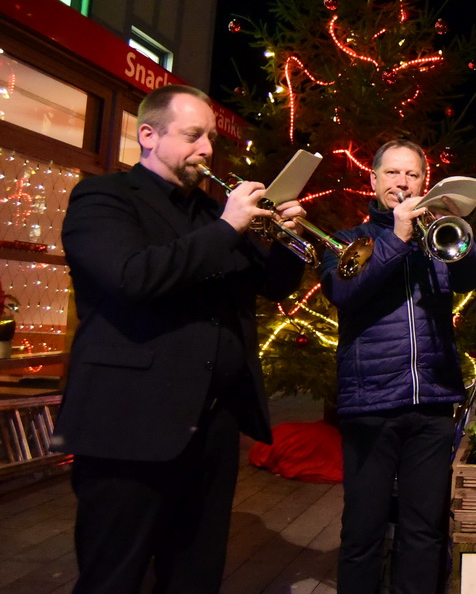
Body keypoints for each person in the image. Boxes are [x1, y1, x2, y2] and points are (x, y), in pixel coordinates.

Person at [54, 84, 308, 593]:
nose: (208, 150)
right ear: (149, 135)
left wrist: (288, 241)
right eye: (194, 136)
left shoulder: (209, 214)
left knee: (196, 572)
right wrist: (228, 227)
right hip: (129, 423)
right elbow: (134, 277)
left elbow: (271, 284)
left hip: (210, 427)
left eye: (211, 137)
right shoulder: (104, 197)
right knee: (114, 575)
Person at [320, 139, 476, 594]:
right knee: (363, 531)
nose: (402, 182)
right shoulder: (348, 240)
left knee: (423, 530)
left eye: (412, 174)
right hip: (370, 404)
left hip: (432, 402)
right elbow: (345, 293)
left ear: (424, 182)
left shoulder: (436, 238)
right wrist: (396, 239)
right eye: (392, 173)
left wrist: (457, 225)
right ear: (373, 180)